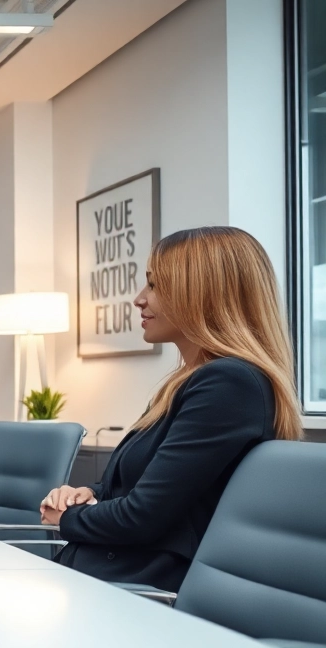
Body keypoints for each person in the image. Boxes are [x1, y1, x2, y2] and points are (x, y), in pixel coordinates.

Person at [41, 226, 302, 592]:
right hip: (106, 578)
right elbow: (150, 488)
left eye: (155, 285)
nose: (139, 299)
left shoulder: (228, 384)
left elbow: (144, 517)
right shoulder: (185, 383)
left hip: (138, 591)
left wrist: (68, 518)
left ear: (202, 294)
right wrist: (89, 492)